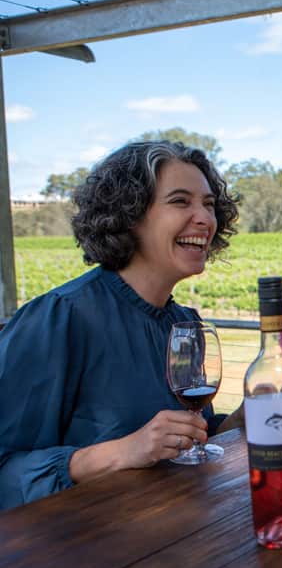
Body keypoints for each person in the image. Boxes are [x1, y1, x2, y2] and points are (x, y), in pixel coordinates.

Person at [0, 140, 241, 510]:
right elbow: (8, 470)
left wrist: (249, 412)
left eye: (209, 204)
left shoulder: (185, 324)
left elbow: (190, 438)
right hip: (80, 552)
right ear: (129, 215)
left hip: (174, 539)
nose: (205, 219)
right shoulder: (60, 318)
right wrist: (121, 452)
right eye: (180, 201)